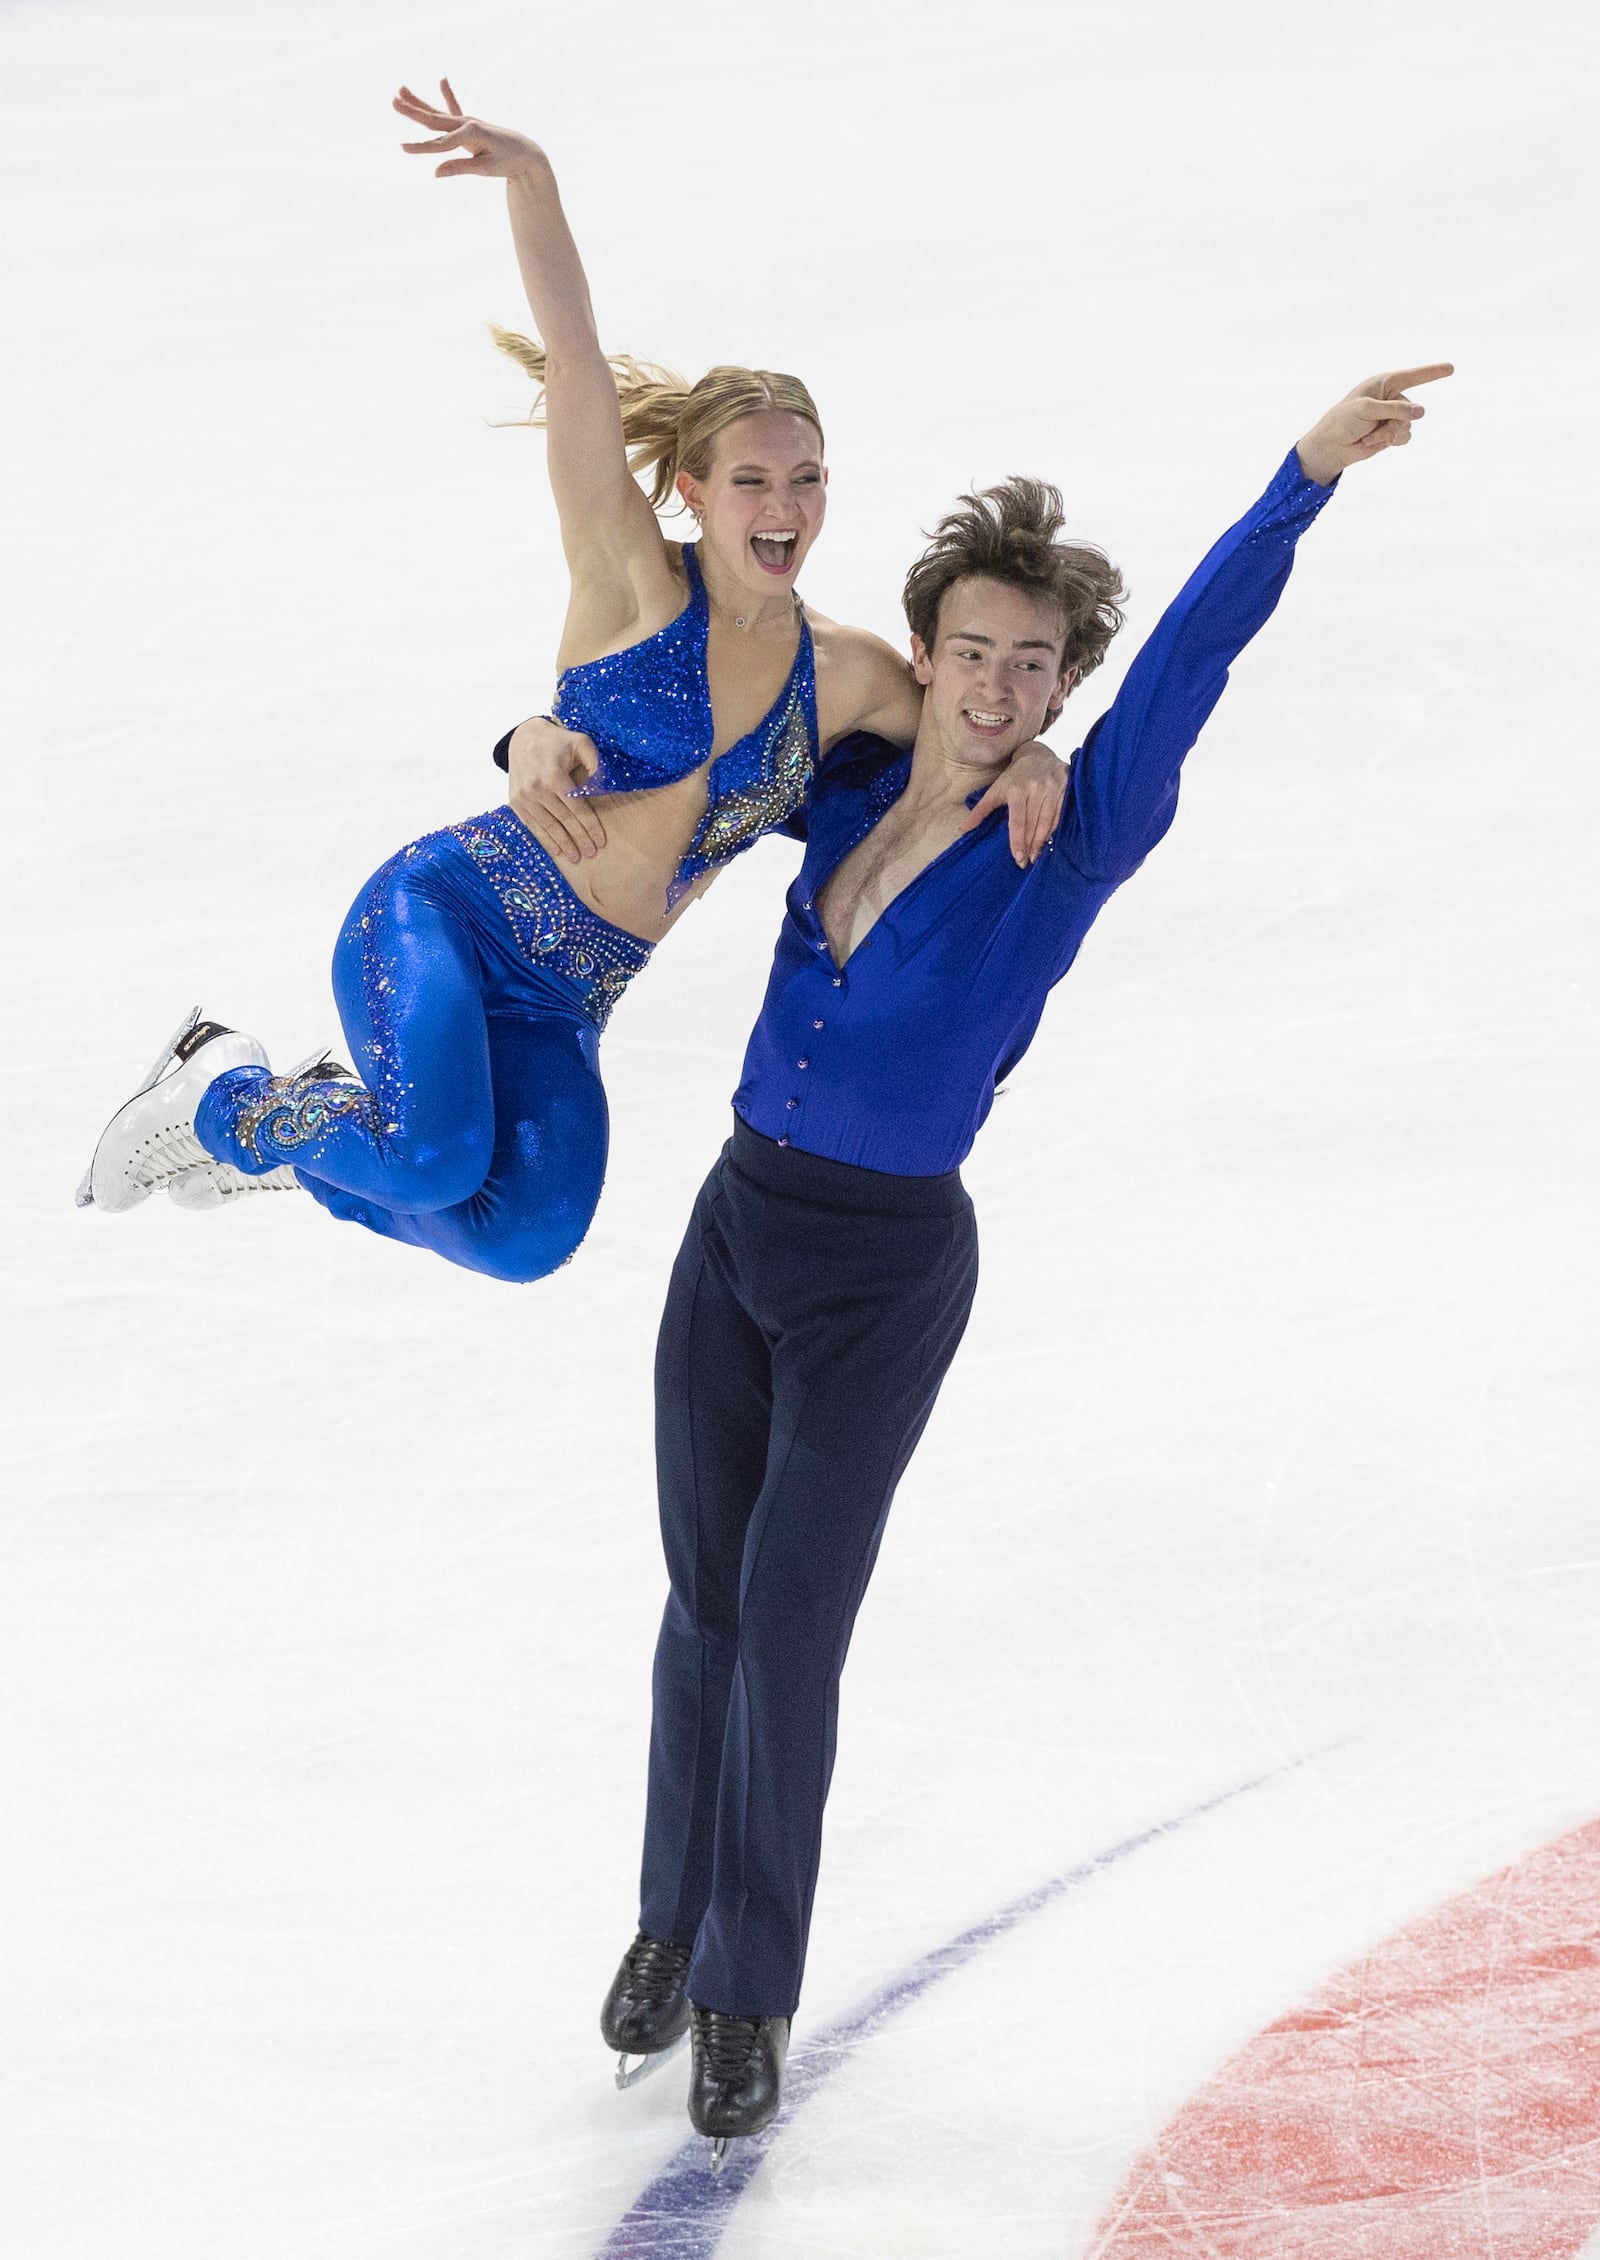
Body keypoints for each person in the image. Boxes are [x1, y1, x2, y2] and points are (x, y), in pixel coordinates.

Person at [579, 365, 1452, 2162]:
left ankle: (749, 1992)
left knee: (792, 1634)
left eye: (1031, 667)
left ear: (1065, 685)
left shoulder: (1078, 835)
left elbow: (1200, 658)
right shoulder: (848, 774)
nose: (997, 686)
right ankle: (668, 1924)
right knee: (704, 1611)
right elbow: (685, 695)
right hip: (736, 1221)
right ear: (932, 650)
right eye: (973, 652)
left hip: (886, 1270)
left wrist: (1299, 475)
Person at [75, 82, 1064, 1279]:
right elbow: (579, 358)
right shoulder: (631, 581)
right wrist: (532, 179)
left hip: (569, 999)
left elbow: (974, 730)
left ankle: (309, 1143)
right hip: (450, 914)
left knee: (530, 1235)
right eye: (752, 479)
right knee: (437, 1163)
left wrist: (1045, 753)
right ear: (693, 490)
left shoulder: (846, 671)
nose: (785, 505)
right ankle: (221, 1089)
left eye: (805, 477)